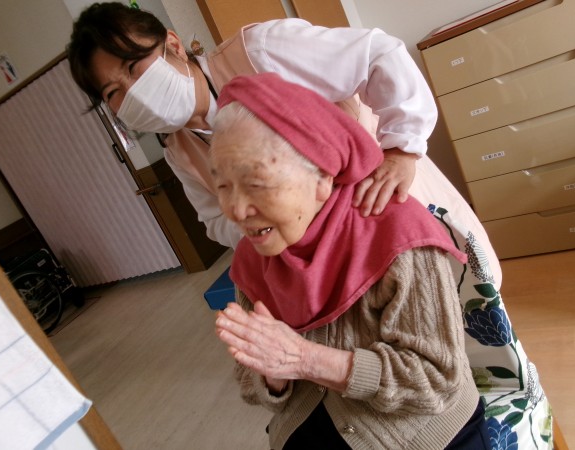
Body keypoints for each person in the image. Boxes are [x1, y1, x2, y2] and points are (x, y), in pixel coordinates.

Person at [67, 3, 502, 292]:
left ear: (174, 46)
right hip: (330, 263)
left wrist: (401, 150)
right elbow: (215, 221)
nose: (133, 91)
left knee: (463, 316)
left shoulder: (259, 52)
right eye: (113, 92)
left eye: (134, 66)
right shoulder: (179, 151)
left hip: (389, 205)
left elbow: (377, 55)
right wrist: (266, 222)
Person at [210, 73, 491, 450]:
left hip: (422, 431)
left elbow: (436, 381)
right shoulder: (253, 256)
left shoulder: (396, 235)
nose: (236, 210)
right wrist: (271, 374)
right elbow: (251, 383)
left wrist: (305, 359)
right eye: (223, 186)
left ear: (322, 176)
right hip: (312, 423)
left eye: (256, 184)